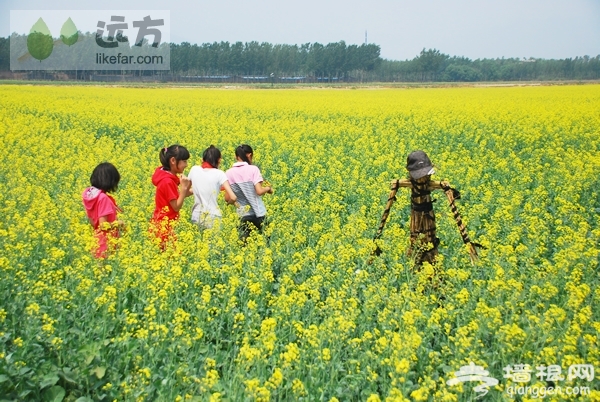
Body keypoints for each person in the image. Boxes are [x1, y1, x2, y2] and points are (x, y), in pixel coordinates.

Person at [225, 144, 273, 242]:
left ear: (236, 157)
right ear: (250, 155)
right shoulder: (253, 169)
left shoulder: (228, 173)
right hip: (259, 213)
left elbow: (227, 198)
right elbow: (259, 191)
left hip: (242, 215)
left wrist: (236, 202)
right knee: (266, 244)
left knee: (244, 247)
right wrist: (268, 188)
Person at [150, 144, 192, 249]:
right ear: (173, 160)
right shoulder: (167, 181)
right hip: (164, 227)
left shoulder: (168, 177)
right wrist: (183, 188)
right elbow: (176, 206)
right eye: (184, 161)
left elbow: (178, 196)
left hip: (164, 224)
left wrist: (194, 188)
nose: (186, 165)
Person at [188, 145, 238, 230]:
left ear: (203, 159)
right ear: (218, 160)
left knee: (198, 241)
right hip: (213, 217)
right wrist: (228, 205)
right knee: (212, 243)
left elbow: (186, 190)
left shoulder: (194, 169)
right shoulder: (220, 174)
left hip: (196, 215)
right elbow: (233, 197)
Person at [82, 162, 123, 258]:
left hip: (97, 242)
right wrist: (118, 223)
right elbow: (103, 225)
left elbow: (93, 223)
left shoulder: (92, 197)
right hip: (106, 244)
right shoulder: (103, 198)